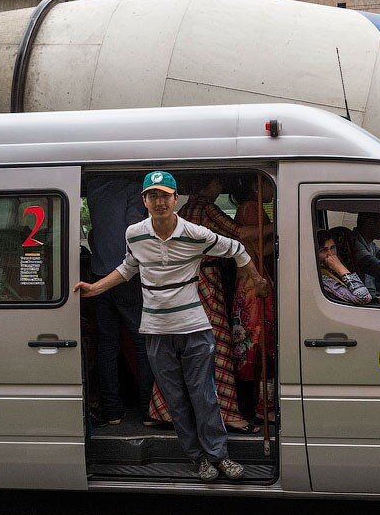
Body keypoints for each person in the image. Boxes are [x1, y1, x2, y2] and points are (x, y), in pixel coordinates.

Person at [74, 171, 269, 482]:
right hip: (155, 331)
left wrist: (256, 280)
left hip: (193, 328)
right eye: (153, 196)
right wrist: (96, 288)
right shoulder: (134, 233)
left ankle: (219, 455)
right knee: (176, 402)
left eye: (165, 195)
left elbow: (238, 250)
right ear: (144, 201)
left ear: (176, 199)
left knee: (204, 396)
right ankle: (198, 458)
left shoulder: (195, 233)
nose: (159, 201)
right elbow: (128, 266)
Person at [159, 173, 270, 434]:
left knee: (183, 349)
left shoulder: (187, 208)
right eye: (219, 183)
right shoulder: (205, 208)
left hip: (187, 281)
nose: (221, 188)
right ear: (209, 184)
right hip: (206, 281)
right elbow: (239, 233)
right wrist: (278, 225)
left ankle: (162, 410)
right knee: (217, 344)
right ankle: (229, 412)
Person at [85, 175, 151, 426]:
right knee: (142, 341)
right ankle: (148, 408)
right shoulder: (132, 189)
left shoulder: (93, 186)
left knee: (107, 344)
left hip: (99, 274)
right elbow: (135, 233)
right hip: (125, 275)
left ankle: (112, 409)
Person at [230, 175, 277, 423]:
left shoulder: (246, 208)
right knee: (259, 346)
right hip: (254, 285)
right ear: (258, 186)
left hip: (248, 285)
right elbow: (257, 249)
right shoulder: (252, 209)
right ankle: (260, 406)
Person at [317, 230, 373, 305]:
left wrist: (377, 301)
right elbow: (364, 297)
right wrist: (340, 267)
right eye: (323, 250)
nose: (330, 254)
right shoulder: (323, 278)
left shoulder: (331, 270)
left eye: (332, 247)